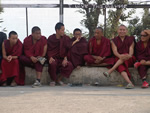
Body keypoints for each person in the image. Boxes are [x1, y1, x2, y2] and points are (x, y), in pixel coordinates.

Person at [103, 25, 136, 89]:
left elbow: (131, 49)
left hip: (129, 58)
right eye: (120, 30)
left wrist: (128, 55)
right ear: (118, 31)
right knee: (120, 67)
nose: (122, 31)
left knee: (124, 55)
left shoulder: (130, 39)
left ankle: (110, 71)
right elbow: (115, 52)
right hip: (119, 58)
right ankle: (130, 83)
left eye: (124, 30)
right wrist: (121, 56)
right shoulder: (114, 40)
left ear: (126, 31)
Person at [47, 22, 74, 86]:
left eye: (64, 30)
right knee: (52, 63)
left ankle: (59, 79)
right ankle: (53, 80)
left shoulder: (66, 38)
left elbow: (68, 49)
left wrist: (65, 58)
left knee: (69, 65)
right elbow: (48, 49)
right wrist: (50, 57)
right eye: (62, 30)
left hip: (62, 58)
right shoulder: (51, 38)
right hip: (54, 58)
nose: (63, 32)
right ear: (57, 30)